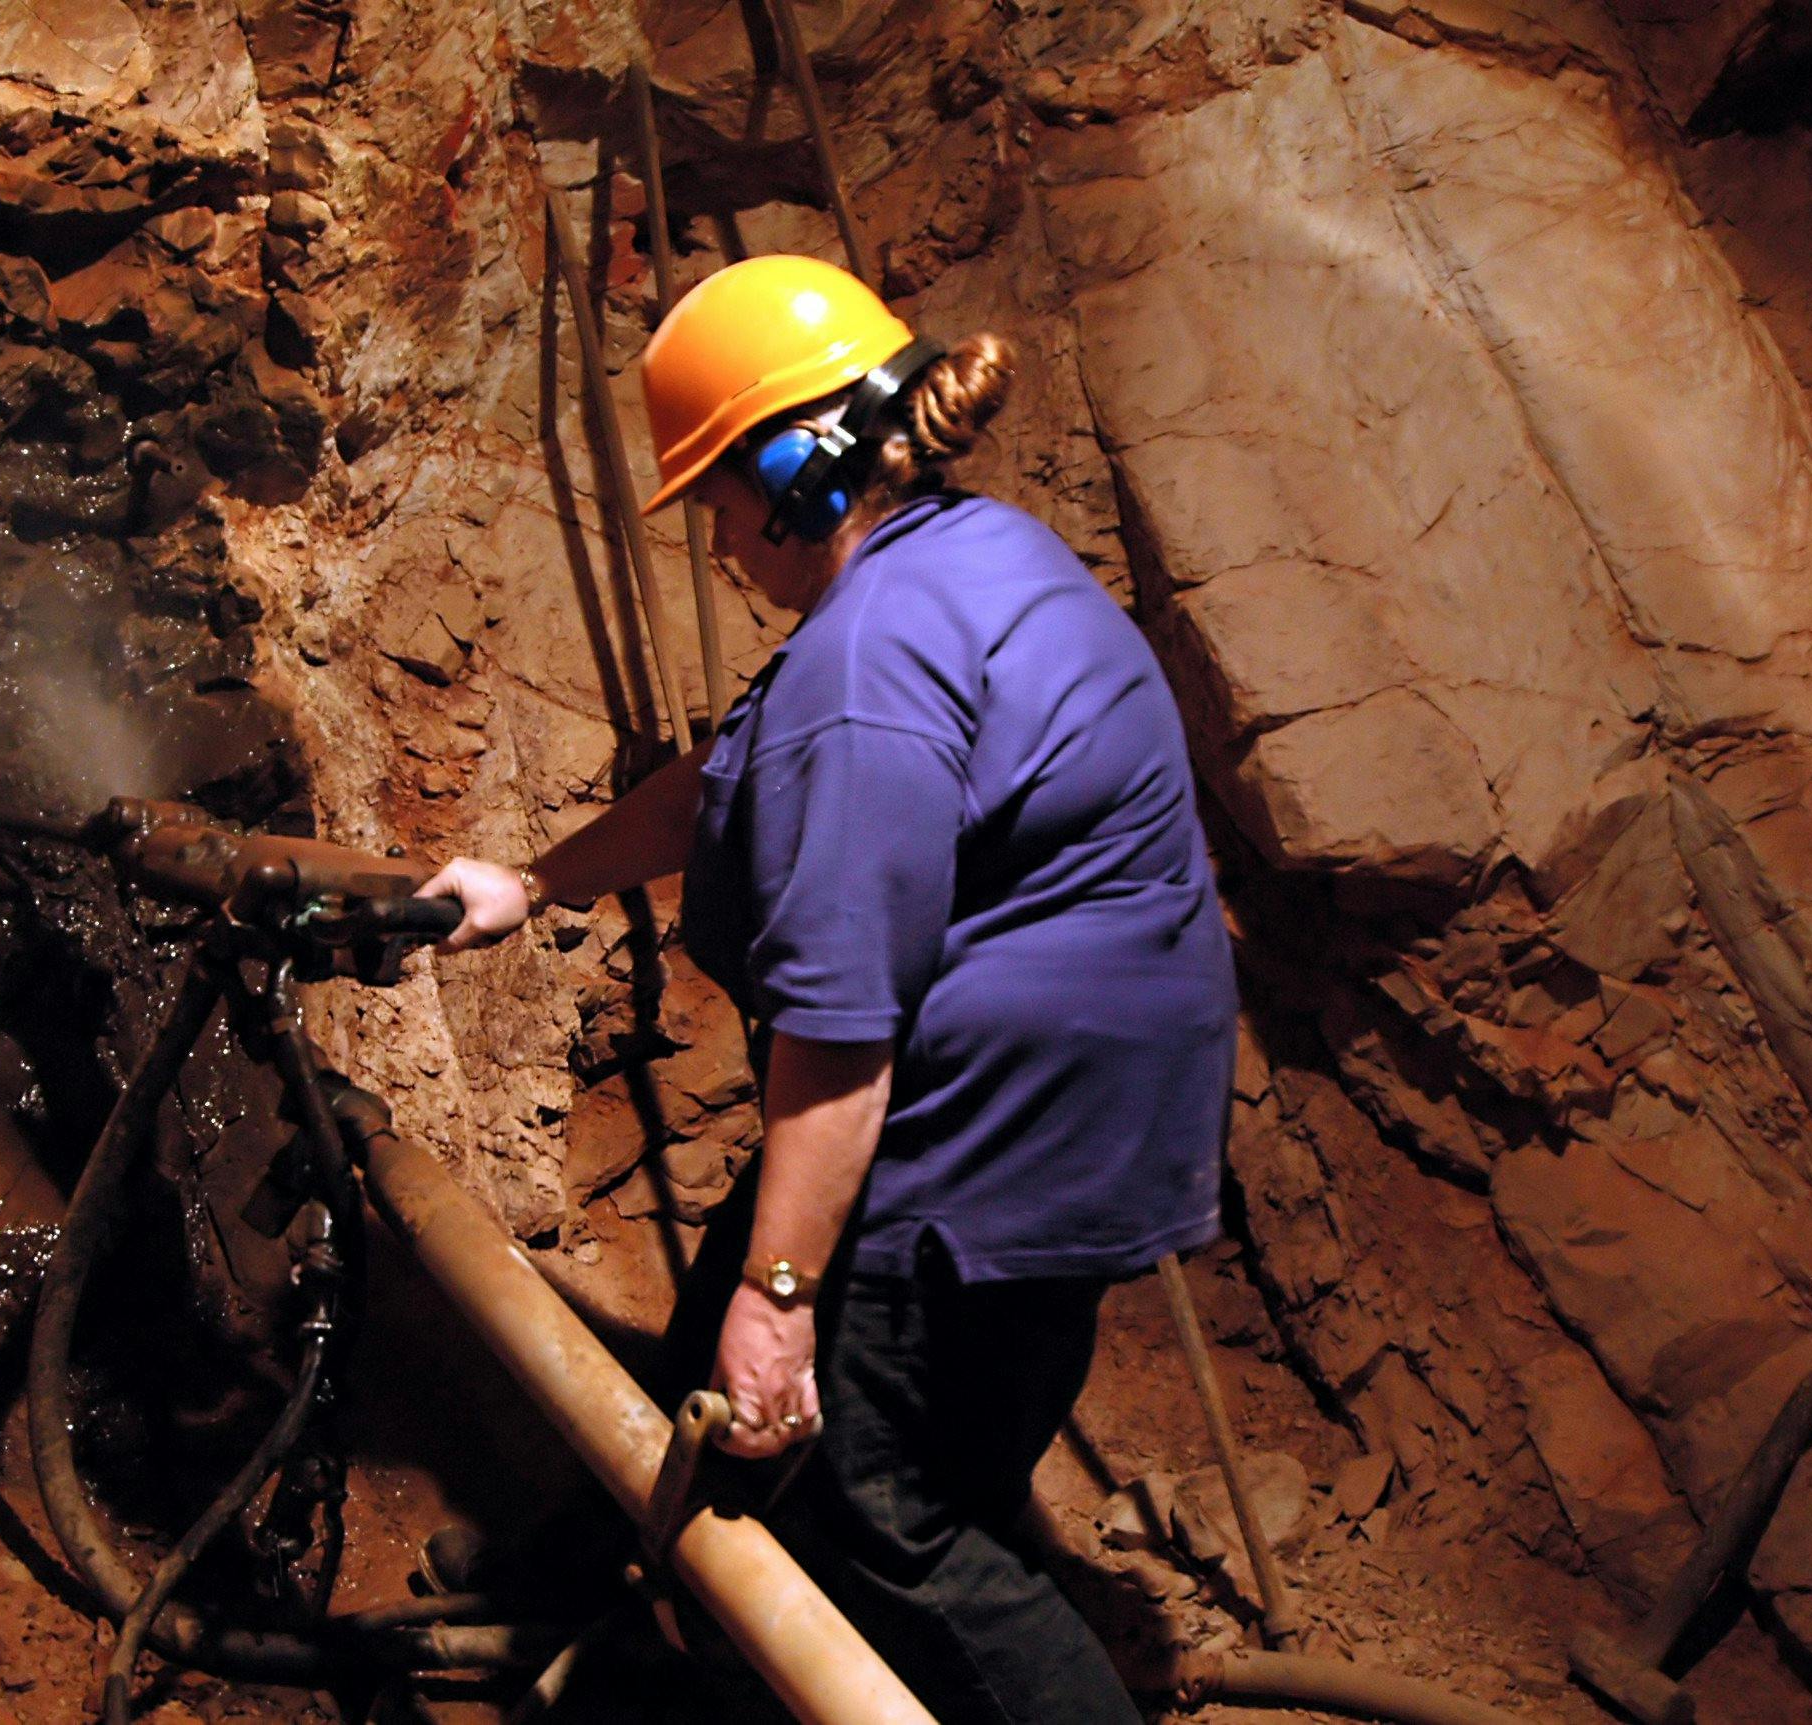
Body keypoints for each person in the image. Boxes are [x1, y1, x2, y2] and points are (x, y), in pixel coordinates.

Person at [417, 254, 1236, 1724]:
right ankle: (591, 1564)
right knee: (714, 1326)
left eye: (719, 503)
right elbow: (712, 785)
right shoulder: (964, 556)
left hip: (998, 1135)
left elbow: (842, 1036)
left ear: (796, 467)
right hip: (1082, 1095)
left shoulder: (869, 660)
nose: (718, 541)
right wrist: (529, 881)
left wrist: (784, 1302)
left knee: (885, 1508)